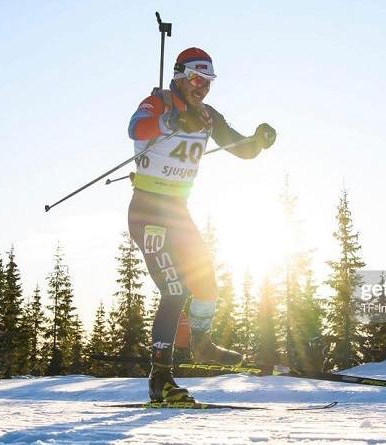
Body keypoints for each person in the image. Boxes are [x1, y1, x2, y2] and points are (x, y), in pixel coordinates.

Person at [127, 47, 276, 402]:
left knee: (207, 284)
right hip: (149, 211)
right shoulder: (157, 104)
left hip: (178, 212)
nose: (202, 87)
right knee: (174, 289)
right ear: (178, 76)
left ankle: (202, 344)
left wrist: (259, 141)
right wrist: (170, 122)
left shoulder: (208, 116)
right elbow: (135, 127)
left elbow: (240, 148)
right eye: (196, 79)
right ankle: (160, 378)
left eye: (208, 82)